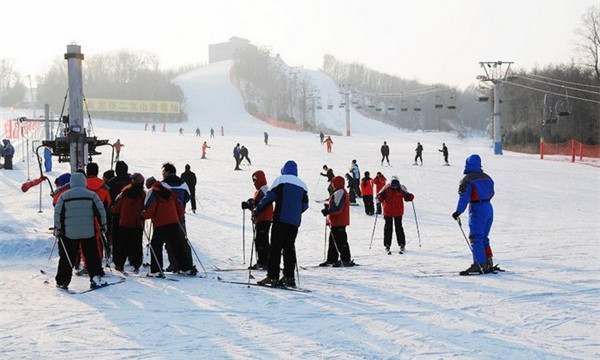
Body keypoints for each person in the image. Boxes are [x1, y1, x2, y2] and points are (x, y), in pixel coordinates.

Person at [253, 160, 309, 288]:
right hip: (294, 223)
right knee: (289, 249)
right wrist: (295, 212)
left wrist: (257, 210)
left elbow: (269, 197)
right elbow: (305, 206)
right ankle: (289, 278)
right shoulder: (303, 185)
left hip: (281, 219)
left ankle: (272, 277)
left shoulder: (280, 180)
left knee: (275, 249)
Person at [53, 172, 107, 290]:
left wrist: (59, 229)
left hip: (70, 233)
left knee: (67, 257)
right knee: (92, 256)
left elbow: (58, 214)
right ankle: (96, 278)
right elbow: (100, 211)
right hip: (88, 232)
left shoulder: (64, 196)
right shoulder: (91, 195)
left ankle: (62, 280)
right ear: (84, 181)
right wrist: (103, 225)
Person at [142, 177, 197, 276]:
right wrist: (177, 217)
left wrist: (143, 216)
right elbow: (179, 205)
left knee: (155, 245)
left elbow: (150, 208)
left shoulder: (153, 192)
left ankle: (156, 270)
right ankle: (186, 268)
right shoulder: (167, 191)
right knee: (177, 245)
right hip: (174, 222)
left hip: (161, 223)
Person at [452, 154, 496, 275]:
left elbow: (464, 197)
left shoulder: (468, 179)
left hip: (477, 208)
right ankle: (488, 261)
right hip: (488, 207)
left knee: (476, 237)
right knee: (484, 237)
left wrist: (458, 212)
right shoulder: (488, 178)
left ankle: (479, 264)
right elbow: (492, 193)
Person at [111, 173, 146, 273]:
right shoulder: (142, 194)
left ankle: (119, 264)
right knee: (137, 244)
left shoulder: (125, 193)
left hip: (124, 221)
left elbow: (116, 208)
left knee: (122, 244)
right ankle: (136, 263)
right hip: (137, 222)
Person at [320, 176, 355, 267]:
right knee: (333, 240)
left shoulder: (340, 192)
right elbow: (336, 205)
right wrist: (328, 207)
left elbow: (338, 207)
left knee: (340, 240)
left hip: (339, 220)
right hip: (337, 221)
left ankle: (345, 259)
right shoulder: (339, 192)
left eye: (333, 183)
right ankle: (332, 259)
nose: (332, 185)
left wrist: (328, 211)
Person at [241, 170, 273, 270]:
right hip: (260, 218)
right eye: (253, 180)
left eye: (255, 180)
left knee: (262, 240)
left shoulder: (265, 189)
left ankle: (264, 262)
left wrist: (254, 207)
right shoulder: (259, 191)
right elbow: (257, 204)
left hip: (264, 218)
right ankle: (262, 261)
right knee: (259, 239)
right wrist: (249, 205)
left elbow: (264, 203)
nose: (254, 182)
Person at [377, 176, 414, 253]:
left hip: (398, 212)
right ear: (391, 183)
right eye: (393, 183)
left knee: (399, 228)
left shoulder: (401, 188)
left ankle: (401, 244)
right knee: (388, 228)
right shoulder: (386, 188)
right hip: (388, 212)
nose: (395, 185)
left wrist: (410, 197)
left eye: (396, 183)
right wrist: (380, 198)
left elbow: (407, 197)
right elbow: (379, 195)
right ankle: (387, 244)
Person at [86, 163, 112, 265]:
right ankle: (98, 261)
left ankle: (86, 263)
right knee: (98, 240)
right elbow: (108, 202)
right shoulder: (104, 186)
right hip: (99, 216)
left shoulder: (83, 184)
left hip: (85, 215)